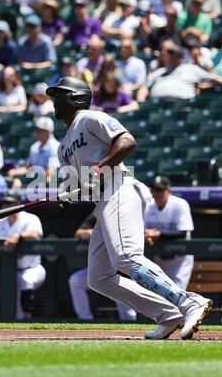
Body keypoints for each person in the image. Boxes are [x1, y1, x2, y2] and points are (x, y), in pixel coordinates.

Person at [46, 75, 212, 340]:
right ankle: (167, 315)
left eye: (58, 95)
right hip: (103, 201)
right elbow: (86, 187)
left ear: (74, 97)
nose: (53, 100)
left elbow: (127, 141)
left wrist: (99, 169)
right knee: (98, 277)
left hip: (120, 188)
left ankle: (188, 301)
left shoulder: (90, 118)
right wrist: (69, 194)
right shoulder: (62, 147)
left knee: (126, 256)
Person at [0, 191, 46, 320]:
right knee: (16, 315)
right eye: (4, 204)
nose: (6, 207)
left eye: (10, 203)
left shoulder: (30, 218)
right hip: (11, 272)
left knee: (25, 281)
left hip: (33, 268)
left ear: (18, 204)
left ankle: (29, 317)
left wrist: (18, 236)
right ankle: (21, 327)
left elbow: (35, 233)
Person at [144, 176, 195, 334]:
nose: (155, 193)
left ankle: (183, 321)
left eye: (159, 189)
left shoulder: (179, 204)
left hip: (180, 259)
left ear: (168, 190)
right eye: (153, 189)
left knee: (176, 293)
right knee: (161, 295)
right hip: (160, 257)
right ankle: (170, 324)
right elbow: (145, 231)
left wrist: (158, 235)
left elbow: (182, 232)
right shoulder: (149, 206)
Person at [68, 212, 137, 321]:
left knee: (126, 306)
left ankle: (130, 322)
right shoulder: (100, 212)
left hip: (122, 271)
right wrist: (94, 233)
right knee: (76, 281)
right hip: (101, 269)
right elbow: (79, 232)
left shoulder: (125, 211)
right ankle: (85, 320)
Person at [8, 116, 60, 182]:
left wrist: (22, 179)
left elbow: (50, 173)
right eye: (36, 130)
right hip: (35, 180)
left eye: (40, 131)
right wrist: (15, 172)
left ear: (49, 132)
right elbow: (29, 167)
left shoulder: (55, 147)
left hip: (50, 184)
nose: (37, 133)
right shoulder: (35, 147)